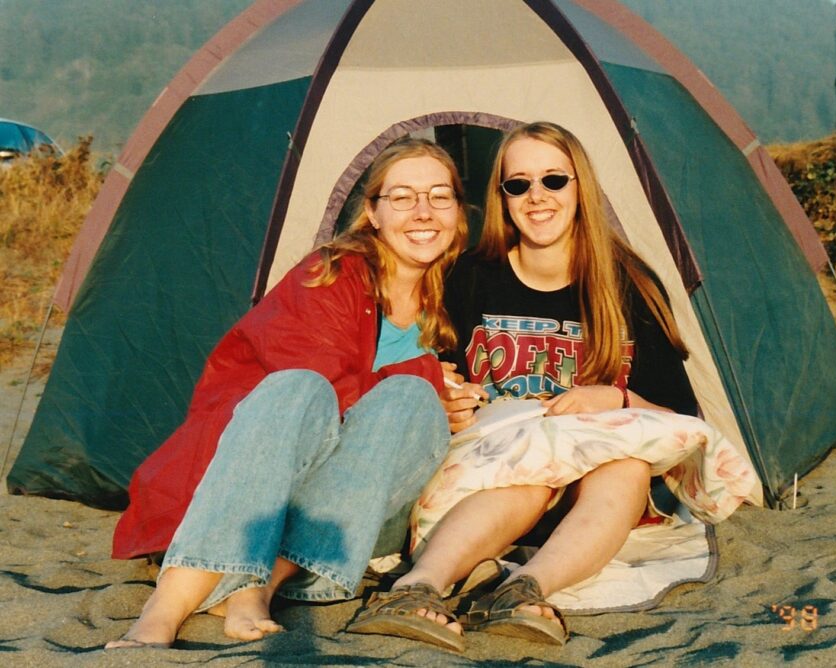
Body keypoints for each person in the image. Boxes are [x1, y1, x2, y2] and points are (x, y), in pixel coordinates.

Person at [348, 122, 755, 651]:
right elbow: (429, 374)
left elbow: (679, 415)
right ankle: (415, 588)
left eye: (554, 180)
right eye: (518, 185)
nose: (537, 197)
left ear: (580, 186)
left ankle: (524, 590)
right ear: (502, 198)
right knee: (531, 472)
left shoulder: (625, 282)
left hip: (595, 502)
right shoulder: (469, 278)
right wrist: (443, 400)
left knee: (626, 464)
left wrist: (616, 397)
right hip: (494, 485)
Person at [105, 137, 469, 649]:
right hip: (255, 490)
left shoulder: (460, 292)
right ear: (372, 212)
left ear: (458, 209)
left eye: (439, 196)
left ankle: (259, 584)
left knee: (410, 399)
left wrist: (450, 401)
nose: (423, 212)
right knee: (302, 386)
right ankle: (170, 603)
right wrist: (428, 377)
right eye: (403, 197)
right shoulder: (329, 274)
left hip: (352, 514)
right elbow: (317, 394)